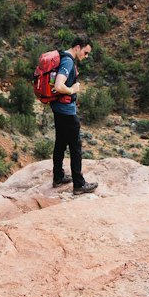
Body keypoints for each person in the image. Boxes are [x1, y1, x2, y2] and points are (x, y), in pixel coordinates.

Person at [51, 34, 97, 195]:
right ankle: (79, 184)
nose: (86, 56)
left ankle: (58, 176)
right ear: (77, 47)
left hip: (58, 108)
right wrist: (72, 90)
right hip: (67, 112)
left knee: (61, 143)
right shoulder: (68, 61)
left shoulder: (62, 56)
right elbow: (58, 85)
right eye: (85, 52)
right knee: (75, 146)